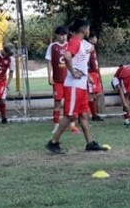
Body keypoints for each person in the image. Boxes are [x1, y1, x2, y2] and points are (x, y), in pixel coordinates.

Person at [46, 20, 107, 154]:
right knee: (69, 116)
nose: (89, 31)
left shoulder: (83, 43)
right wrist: (73, 72)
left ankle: (90, 143)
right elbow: (67, 56)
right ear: (84, 30)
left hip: (81, 86)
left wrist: (87, 77)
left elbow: (81, 60)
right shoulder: (74, 41)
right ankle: (53, 143)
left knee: (84, 115)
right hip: (74, 86)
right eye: (88, 29)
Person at [45, 26, 71, 134]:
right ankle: (56, 125)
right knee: (57, 103)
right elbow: (49, 62)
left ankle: (71, 125)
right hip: (57, 80)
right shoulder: (52, 46)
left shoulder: (69, 45)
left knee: (69, 102)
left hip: (69, 80)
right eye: (61, 35)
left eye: (65, 35)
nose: (63, 37)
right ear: (57, 35)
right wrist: (49, 76)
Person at [87, 34, 105, 121]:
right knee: (90, 95)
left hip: (95, 73)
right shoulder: (87, 47)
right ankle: (93, 114)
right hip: (90, 73)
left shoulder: (92, 47)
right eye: (94, 37)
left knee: (97, 93)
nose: (96, 39)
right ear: (90, 38)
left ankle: (94, 113)